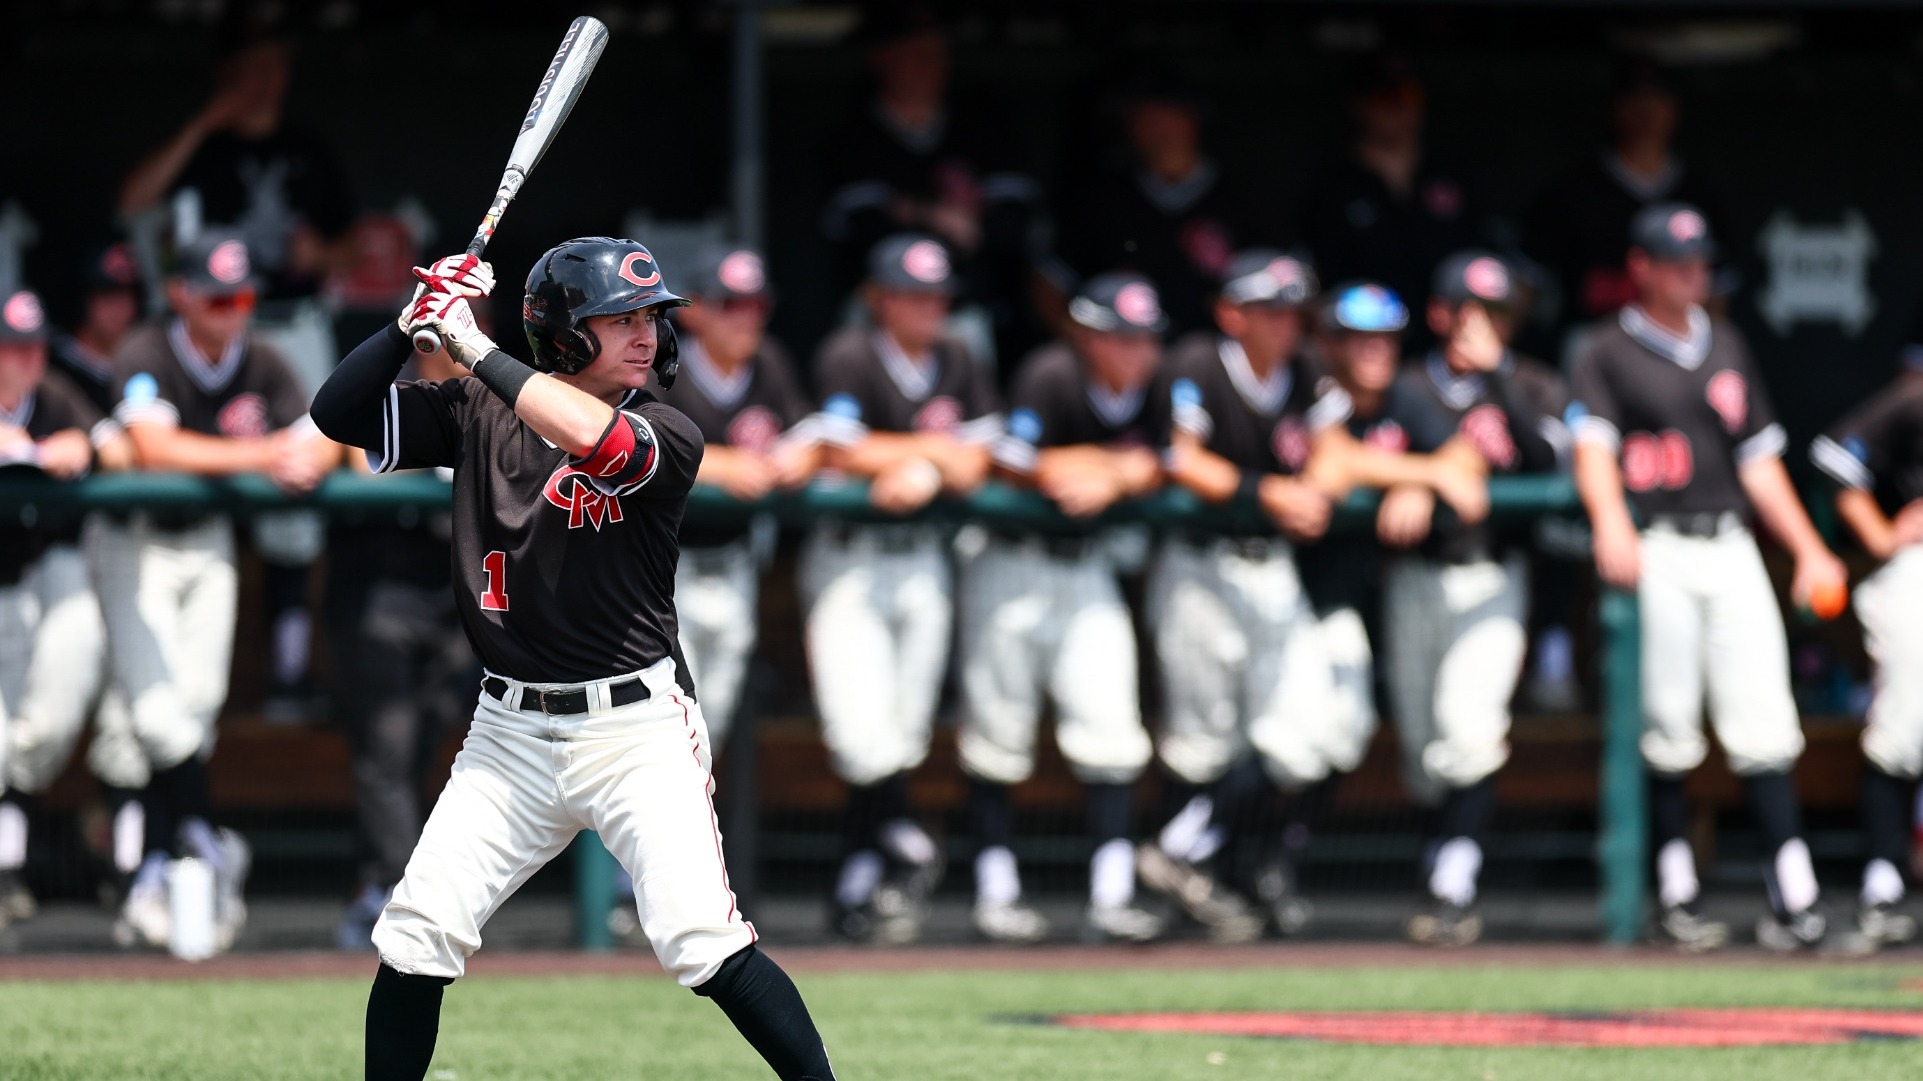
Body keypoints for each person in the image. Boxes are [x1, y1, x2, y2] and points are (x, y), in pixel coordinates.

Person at [311, 240, 838, 1081]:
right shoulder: (476, 412)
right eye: (617, 319)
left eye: (648, 318)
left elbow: (597, 441)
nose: (643, 335)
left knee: (700, 940)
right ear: (562, 333)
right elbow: (338, 414)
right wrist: (408, 323)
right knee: (416, 933)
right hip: (507, 733)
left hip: (634, 730)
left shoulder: (669, 427)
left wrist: (473, 348)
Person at [1134, 261, 1485, 940]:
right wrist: (1274, 489)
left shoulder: (1321, 381)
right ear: (1233, 312)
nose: (1282, 324)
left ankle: (1202, 854)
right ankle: (1181, 878)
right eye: (1270, 310)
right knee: (1206, 740)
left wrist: (1409, 479)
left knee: (1300, 738)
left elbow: (1337, 458)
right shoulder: (1203, 361)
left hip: (1284, 580)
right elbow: (1183, 459)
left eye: (1291, 311)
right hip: (1208, 563)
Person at [1570, 203, 1847, 952]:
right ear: (1643, 267)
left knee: (1763, 716)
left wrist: (1809, 549)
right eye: (1677, 260)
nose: (1693, 272)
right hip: (1657, 543)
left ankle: (1792, 894)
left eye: (1699, 260)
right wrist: (1610, 520)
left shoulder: (1724, 342)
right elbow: (1591, 448)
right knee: (1667, 721)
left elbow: (1759, 463)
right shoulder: (1605, 348)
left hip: (1728, 544)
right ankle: (1674, 891)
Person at [97, 231, 337, 951]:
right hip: (130, 539)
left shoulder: (263, 358)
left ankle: (162, 863)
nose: (233, 311)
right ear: (181, 295)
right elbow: (150, 447)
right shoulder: (146, 349)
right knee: (155, 717)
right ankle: (203, 838)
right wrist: (264, 455)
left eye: (241, 297)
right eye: (217, 297)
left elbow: (321, 432)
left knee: (196, 713)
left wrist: (305, 455)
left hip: (207, 540)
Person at [955, 272, 1167, 945]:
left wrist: (1119, 472)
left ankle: (1111, 896)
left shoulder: (1156, 385)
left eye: (1143, 337)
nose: (1134, 350)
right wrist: (1090, 464)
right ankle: (996, 893)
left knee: (1111, 729)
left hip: (1086, 568)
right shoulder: (1051, 371)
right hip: (1011, 564)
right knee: (996, 733)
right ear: (1088, 334)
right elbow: (1011, 459)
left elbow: (1168, 457)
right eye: (1119, 336)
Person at [1366, 254, 1569, 946]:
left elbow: (1550, 464)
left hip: (1492, 574)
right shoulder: (1406, 386)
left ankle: (1453, 882)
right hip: (1415, 577)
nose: (1482, 325)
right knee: (1426, 749)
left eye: (1498, 312)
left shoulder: (1531, 383)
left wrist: (1499, 377)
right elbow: (1362, 458)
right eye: (1469, 311)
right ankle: (1438, 865)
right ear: (1439, 314)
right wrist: (1414, 477)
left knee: (1468, 727)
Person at [806, 234, 1000, 943]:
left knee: (902, 734)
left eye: (938, 295)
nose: (929, 307)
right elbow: (834, 446)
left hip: (922, 560)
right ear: (880, 298)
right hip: (852, 558)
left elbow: (977, 461)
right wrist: (930, 457)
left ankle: (860, 879)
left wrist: (921, 466)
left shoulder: (960, 357)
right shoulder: (848, 353)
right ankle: (908, 836)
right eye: (913, 294)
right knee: (861, 738)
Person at [0, 285, 145, 927]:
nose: (23, 362)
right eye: (10, 349)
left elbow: (115, 448)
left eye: (31, 348)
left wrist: (81, 449)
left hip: (47, 571)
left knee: (55, 713)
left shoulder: (56, 395)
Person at [325, 338, 475, 952]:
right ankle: (391, 888)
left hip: (454, 596)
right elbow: (343, 444)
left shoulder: (491, 394)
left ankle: (405, 883)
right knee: (387, 745)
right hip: (378, 591)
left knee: (441, 739)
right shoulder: (388, 385)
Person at [655, 245, 819, 749]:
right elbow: (630, 439)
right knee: (662, 727)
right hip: (662, 576)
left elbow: (811, 435)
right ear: (696, 308)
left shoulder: (769, 361)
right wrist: (723, 466)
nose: (747, 318)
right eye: (731, 304)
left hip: (736, 565)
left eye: (756, 305)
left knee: (708, 731)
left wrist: (800, 457)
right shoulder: (662, 361)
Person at [822, 5, 1044, 367]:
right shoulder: (854, 135)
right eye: (913, 53)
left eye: (936, 52)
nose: (928, 64)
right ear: (882, 58)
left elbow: (1015, 220)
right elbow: (860, 225)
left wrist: (909, 210)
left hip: (962, 311)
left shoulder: (980, 126)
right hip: (878, 316)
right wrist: (935, 215)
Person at [1809, 361, 1923, 950]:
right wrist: (1880, 533)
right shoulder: (1914, 397)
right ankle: (1883, 886)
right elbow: (1835, 454)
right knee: (1901, 732)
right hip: (1917, 574)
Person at [1523, 61, 1733, 364]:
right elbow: (1531, 287)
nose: (1646, 109)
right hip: (1594, 340)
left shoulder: (1700, 193)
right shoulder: (1573, 190)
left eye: (1656, 97)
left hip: (1678, 345)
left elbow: (1718, 300)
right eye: (1635, 98)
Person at [1056, 74, 1281, 338]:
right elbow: (1050, 284)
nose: (1161, 132)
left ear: (1194, 121)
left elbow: (1293, 286)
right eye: (1148, 121)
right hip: (1130, 363)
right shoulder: (1103, 199)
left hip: (1221, 363)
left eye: (1171, 118)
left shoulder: (1242, 196)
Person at [1298, 58, 1484, 337]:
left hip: (1447, 344)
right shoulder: (1334, 186)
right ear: (1359, 104)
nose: (1400, 106)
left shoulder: (1451, 176)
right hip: (1363, 341)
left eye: (1409, 95)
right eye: (1386, 97)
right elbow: (1313, 279)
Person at [51, 241, 145, 416]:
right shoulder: (52, 365)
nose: (118, 307)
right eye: (107, 295)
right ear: (84, 301)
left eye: (125, 296)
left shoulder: (147, 360)